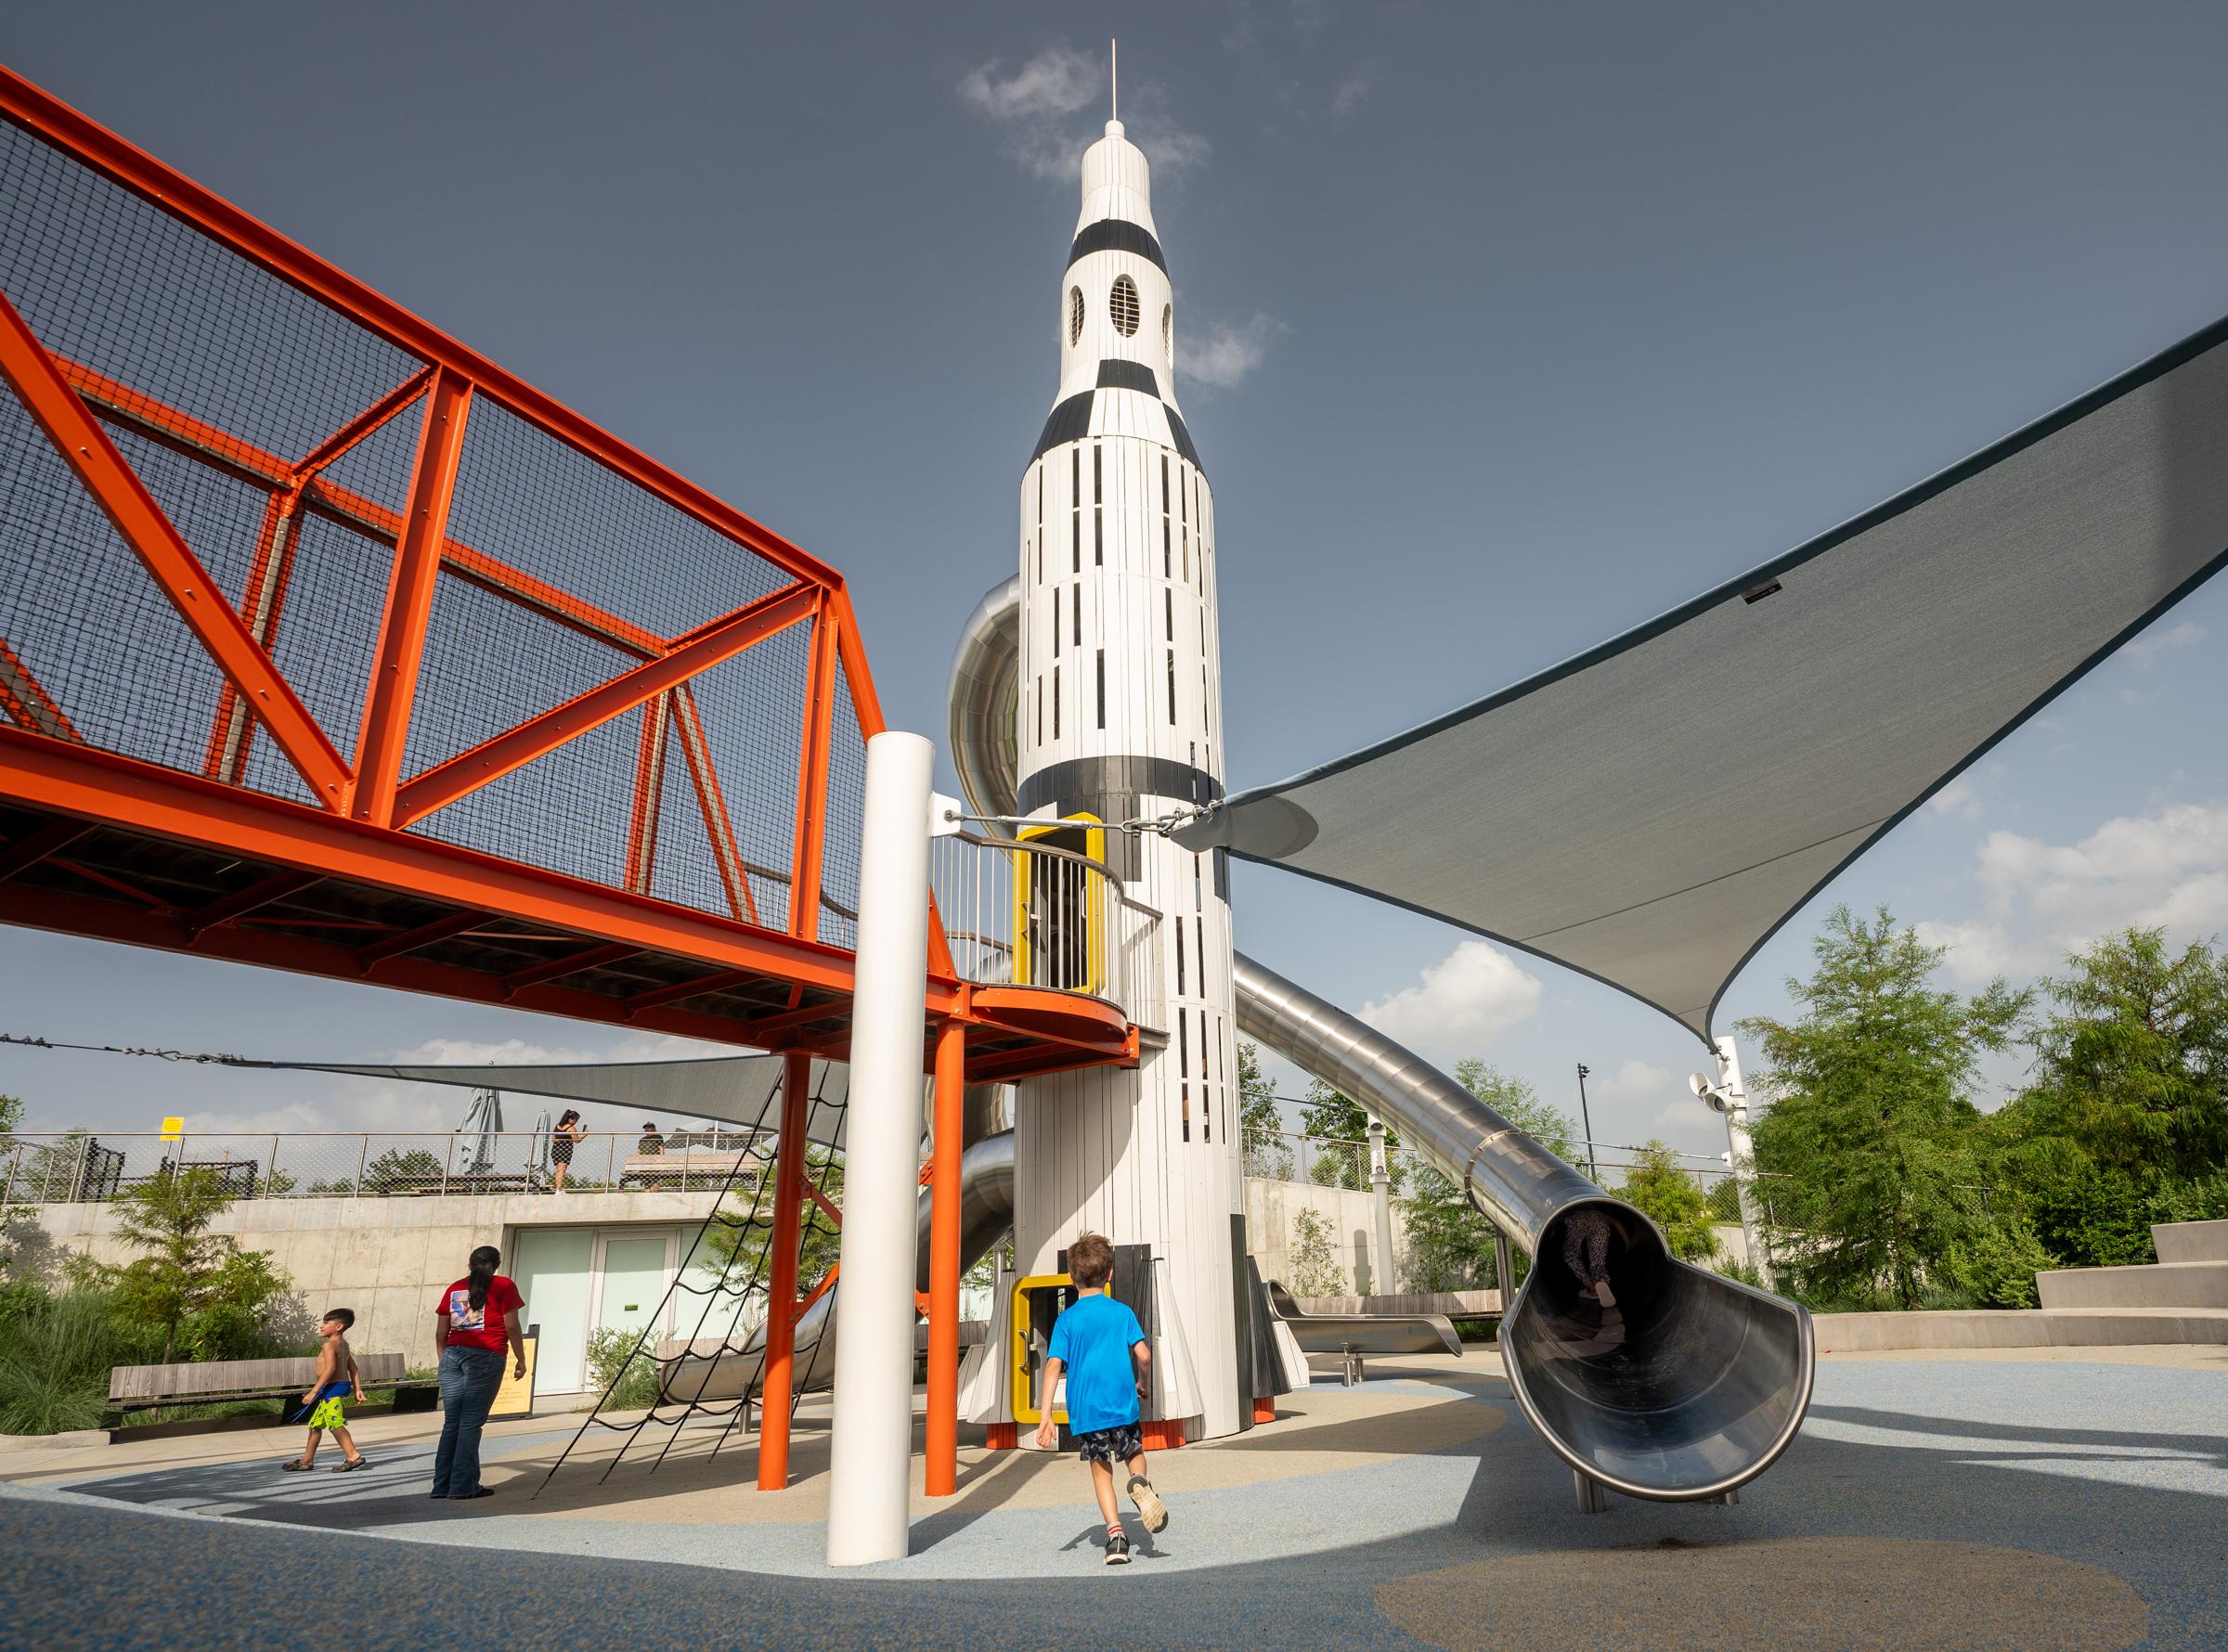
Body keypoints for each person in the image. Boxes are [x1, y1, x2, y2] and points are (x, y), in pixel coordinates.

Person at [1033, 1233, 1170, 1565]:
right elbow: (1145, 1355)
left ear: (1071, 1278)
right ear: (1109, 1274)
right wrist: (1141, 1381)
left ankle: (1116, 1539)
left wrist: (1046, 1415)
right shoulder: (1122, 1313)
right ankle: (1140, 1483)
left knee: (1101, 1470)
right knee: (1133, 1452)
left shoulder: (1067, 1320)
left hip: (1087, 1410)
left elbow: (1053, 1365)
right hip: (1121, 1403)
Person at [431, 1244, 525, 1501]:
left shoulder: (454, 1288)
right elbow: (512, 1326)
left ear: (469, 1264)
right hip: (486, 1356)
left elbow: (441, 1331)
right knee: (471, 1423)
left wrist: (443, 1359)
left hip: (452, 1356)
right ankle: (463, 1486)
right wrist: (520, 1359)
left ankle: (442, 1485)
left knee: (452, 1422)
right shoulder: (504, 1286)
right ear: (496, 1264)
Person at [282, 1308, 368, 1473]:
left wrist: (313, 1392)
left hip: (332, 1389)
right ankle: (307, 1460)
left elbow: (330, 1369)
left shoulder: (329, 1346)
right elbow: (353, 1368)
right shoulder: (344, 1344)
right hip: (335, 1387)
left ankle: (353, 1455)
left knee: (334, 1423)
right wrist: (358, 1389)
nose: (322, 1326)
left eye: (326, 1323)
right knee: (315, 1426)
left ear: (339, 1326)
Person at [1561, 1205, 1618, 1307]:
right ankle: (1601, 1280)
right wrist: (1628, 1242)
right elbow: (1617, 1222)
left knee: (1570, 1254)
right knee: (1598, 1259)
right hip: (1599, 1221)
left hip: (1579, 1218)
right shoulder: (1602, 1213)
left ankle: (1591, 1287)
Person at [550, 1109, 586, 1193]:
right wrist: (584, 1135)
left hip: (555, 1150)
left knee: (559, 1170)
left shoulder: (557, 1126)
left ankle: (560, 1188)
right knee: (562, 1170)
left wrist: (561, 1140)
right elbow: (576, 1140)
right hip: (565, 1150)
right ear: (570, 1119)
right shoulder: (571, 1128)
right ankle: (558, 1190)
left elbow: (553, 1139)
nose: (576, 1121)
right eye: (576, 1119)